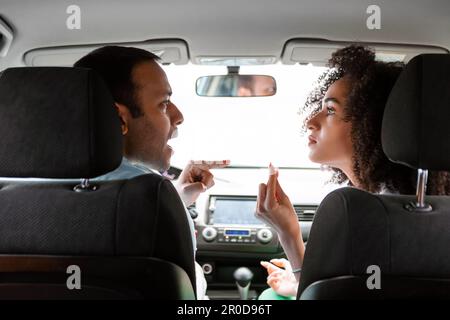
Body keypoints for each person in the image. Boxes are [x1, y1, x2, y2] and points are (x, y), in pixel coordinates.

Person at [256, 45, 450, 299]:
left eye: (331, 110)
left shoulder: (367, 216)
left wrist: (289, 234)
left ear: (371, 124)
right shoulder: (410, 205)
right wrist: (298, 282)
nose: (310, 121)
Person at [74, 46, 228, 299]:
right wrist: (167, 207)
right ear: (120, 118)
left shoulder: (10, 195)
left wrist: (174, 201)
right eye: (164, 104)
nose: (179, 116)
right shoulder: (152, 199)